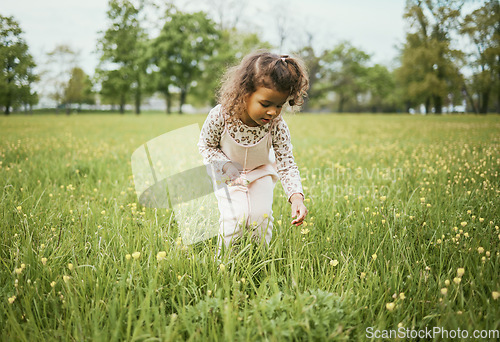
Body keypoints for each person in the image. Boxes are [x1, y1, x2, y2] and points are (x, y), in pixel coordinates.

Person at [198, 50, 309, 251]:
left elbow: (286, 163)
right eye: (265, 104)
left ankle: (260, 259)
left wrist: (296, 198)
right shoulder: (220, 116)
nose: (273, 112)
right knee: (235, 218)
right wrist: (226, 166)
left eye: (279, 105)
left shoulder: (277, 125)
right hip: (228, 174)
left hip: (261, 173)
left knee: (261, 218)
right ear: (245, 93)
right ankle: (225, 263)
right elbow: (206, 146)